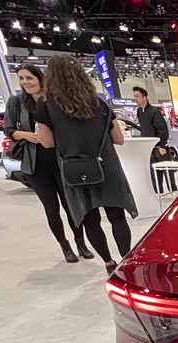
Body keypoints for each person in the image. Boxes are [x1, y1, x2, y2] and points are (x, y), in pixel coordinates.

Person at [35, 55, 138, 275]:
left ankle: (109, 263)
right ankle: (126, 261)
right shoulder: (99, 104)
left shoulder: (46, 107)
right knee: (117, 217)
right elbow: (119, 138)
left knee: (90, 220)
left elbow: (46, 142)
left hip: (75, 170)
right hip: (107, 167)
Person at [4, 63, 93, 263]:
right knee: (51, 207)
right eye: (21, 78)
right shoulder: (16, 102)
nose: (25, 82)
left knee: (71, 205)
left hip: (60, 160)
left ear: (40, 78)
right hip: (35, 164)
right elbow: (9, 130)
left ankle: (81, 243)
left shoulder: (54, 100)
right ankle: (65, 246)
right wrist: (27, 135)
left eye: (29, 78)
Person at [132, 86, 177, 193]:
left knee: (167, 171)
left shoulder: (154, 111)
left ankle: (173, 192)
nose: (135, 99)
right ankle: (158, 194)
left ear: (144, 97)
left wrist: (162, 145)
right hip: (148, 148)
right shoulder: (139, 111)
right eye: (134, 96)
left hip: (159, 147)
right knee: (154, 174)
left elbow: (162, 129)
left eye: (137, 96)